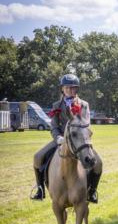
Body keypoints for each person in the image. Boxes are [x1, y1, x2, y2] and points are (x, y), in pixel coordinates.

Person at [31, 73, 102, 203]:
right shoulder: (56, 105)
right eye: (67, 87)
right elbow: (53, 125)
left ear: (76, 89)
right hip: (60, 140)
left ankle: (92, 192)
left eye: (73, 87)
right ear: (62, 89)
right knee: (37, 157)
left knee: (99, 163)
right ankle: (40, 189)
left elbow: (86, 124)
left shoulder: (84, 104)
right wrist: (58, 137)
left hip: (79, 140)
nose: (69, 90)